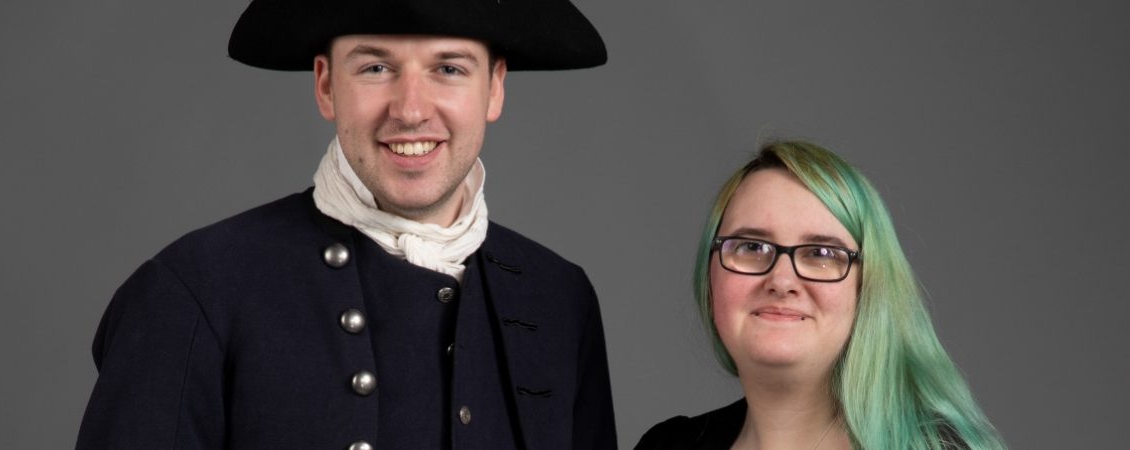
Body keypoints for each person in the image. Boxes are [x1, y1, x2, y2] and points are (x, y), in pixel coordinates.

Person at [75, 1, 617, 449]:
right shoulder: (194, 290)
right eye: (375, 67)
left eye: (448, 68)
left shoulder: (560, 299)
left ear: (494, 88)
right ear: (327, 85)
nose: (410, 110)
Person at [635, 142, 1005, 450]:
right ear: (709, 270)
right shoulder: (668, 445)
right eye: (750, 246)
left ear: (868, 285)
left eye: (821, 254)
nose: (781, 280)